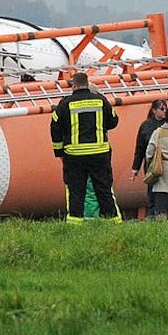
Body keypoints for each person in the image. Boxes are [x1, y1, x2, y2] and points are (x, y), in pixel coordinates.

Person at [50, 71, 121, 223]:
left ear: (74, 85)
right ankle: (111, 221)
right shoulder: (101, 101)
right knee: (103, 188)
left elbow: (55, 128)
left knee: (76, 190)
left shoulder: (65, 104)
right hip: (99, 152)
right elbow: (114, 121)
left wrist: (59, 152)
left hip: (74, 155)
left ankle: (76, 222)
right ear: (87, 84)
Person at [131, 99, 168, 215]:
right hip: (152, 164)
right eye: (162, 109)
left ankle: (164, 213)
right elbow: (140, 148)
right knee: (152, 190)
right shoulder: (146, 125)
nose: (164, 112)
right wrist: (135, 168)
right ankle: (153, 213)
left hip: (166, 162)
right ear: (153, 110)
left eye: (165, 109)